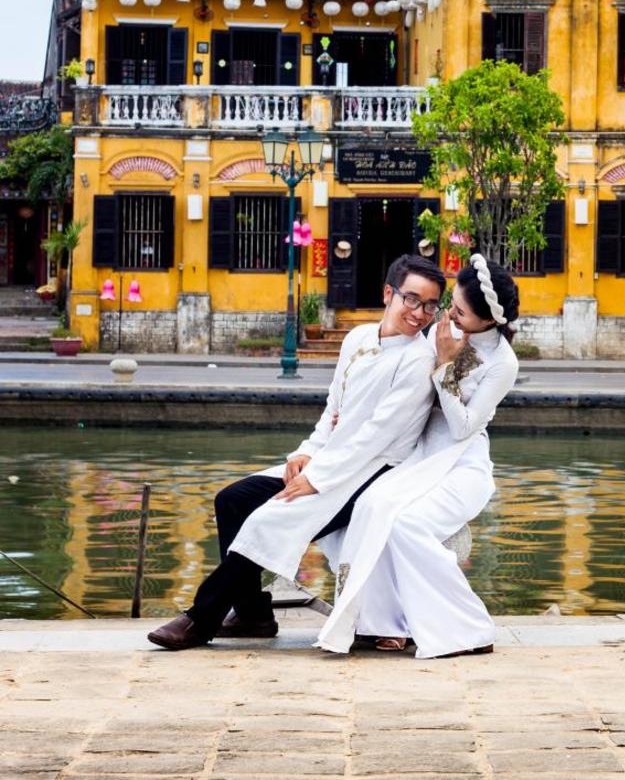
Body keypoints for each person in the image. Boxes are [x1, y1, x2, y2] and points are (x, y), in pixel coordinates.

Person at [147, 256, 445, 651]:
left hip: (374, 471)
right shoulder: (358, 339)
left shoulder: (418, 360)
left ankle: (202, 618)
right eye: (412, 299)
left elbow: (375, 436)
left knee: (270, 517)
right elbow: (333, 408)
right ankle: (254, 613)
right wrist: (305, 453)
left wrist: (317, 480)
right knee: (233, 500)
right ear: (388, 293)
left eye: (430, 305)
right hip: (334, 458)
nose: (419, 313)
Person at [315, 253, 521, 659]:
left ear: (488, 321)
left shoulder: (502, 362)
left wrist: (446, 364)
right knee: (366, 507)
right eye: (452, 305)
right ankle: (383, 624)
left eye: (460, 312)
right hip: (417, 452)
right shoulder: (440, 331)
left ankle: (465, 625)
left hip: (460, 463)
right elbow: (406, 387)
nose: (448, 315)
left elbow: (463, 426)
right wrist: (354, 412)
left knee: (405, 524)